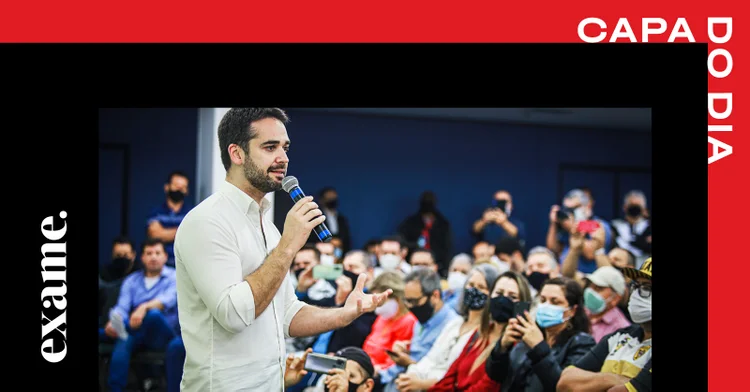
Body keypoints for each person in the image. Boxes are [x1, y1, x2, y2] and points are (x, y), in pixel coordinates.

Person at [174, 108, 392, 392]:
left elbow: (286, 314)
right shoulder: (207, 221)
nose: (284, 158)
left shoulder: (268, 226)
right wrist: (289, 245)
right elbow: (233, 315)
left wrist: (344, 314)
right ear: (237, 154)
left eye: (285, 147)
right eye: (270, 147)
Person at [557, 257, 652, 392]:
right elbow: (565, 382)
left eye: (647, 288)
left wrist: (594, 382)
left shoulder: (618, 327)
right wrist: (615, 379)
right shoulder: (621, 336)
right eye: (636, 286)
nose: (636, 294)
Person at [486, 276, 595, 391]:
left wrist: (539, 348)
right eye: (543, 300)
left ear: (572, 311)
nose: (546, 306)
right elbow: (496, 376)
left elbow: (563, 387)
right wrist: (502, 348)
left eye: (554, 302)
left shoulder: (581, 343)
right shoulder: (530, 335)